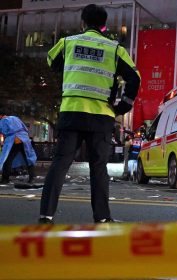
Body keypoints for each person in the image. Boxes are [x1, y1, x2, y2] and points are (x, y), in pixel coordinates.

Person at [39, 4, 141, 224]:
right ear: (104, 26)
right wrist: (123, 106)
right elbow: (135, 77)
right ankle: (102, 217)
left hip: (71, 112)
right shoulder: (115, 49)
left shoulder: (68, 42)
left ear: (82, 22)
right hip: (101, 116)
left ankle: (46, 215)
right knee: (98, 167)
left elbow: (51, 61)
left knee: (60, 164)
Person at [0, 115, 37, 184]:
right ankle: (32, 178)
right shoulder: (15, 118)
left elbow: (4, 131)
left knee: (7, 159)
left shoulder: (3, 121)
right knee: (28, 158)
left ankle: (5, 179)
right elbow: (25, 128)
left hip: (14, 140)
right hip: (24, 139)